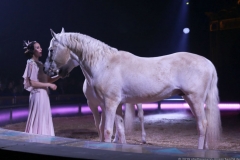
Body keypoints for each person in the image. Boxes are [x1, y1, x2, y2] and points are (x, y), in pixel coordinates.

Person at [22, 40, 61, 136]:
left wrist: (59, 76)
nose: (41, 49)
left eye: (40, 47)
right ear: (32, 51)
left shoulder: (40, 64)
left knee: (44, 116)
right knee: (38, 116)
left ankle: (44, 136)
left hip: (44, 94)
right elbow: (32, 83)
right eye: (37, 47)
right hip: (37, 95)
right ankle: (36, 137)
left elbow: (47, 80)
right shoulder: (30, 63)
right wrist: (48, 85)